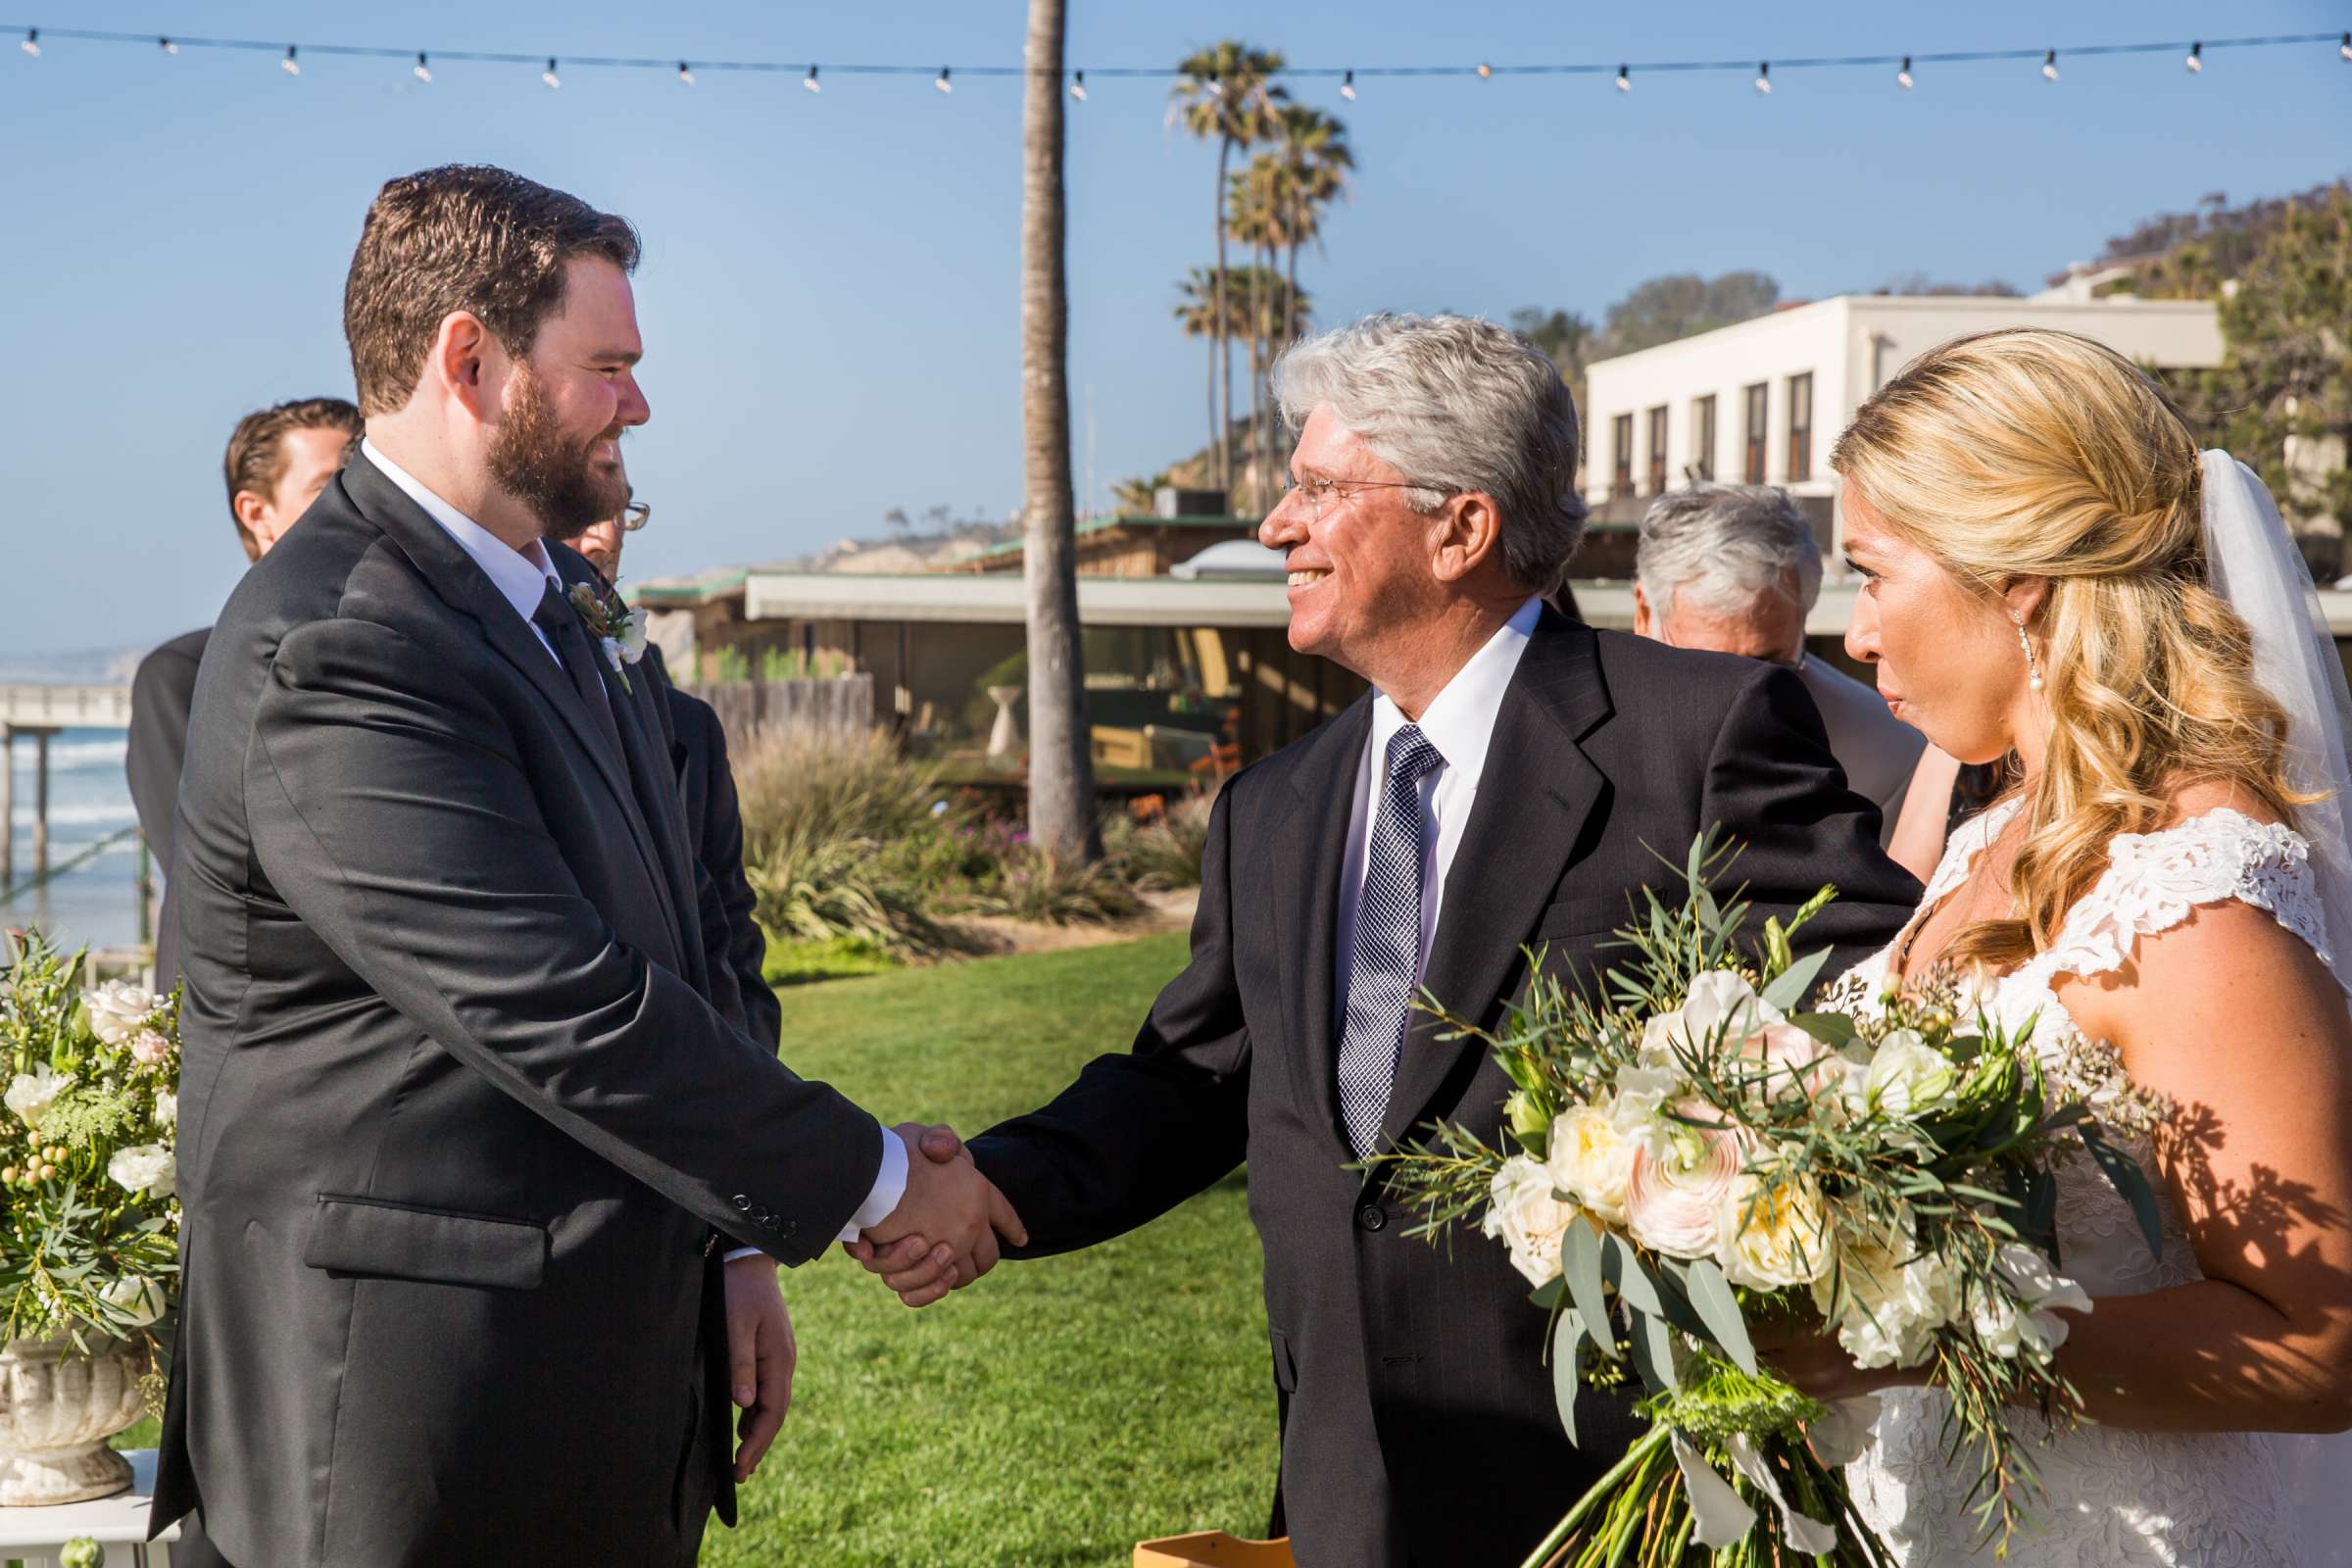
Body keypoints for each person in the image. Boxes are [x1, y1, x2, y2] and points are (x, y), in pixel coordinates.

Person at [852, 313, 1921, 1567]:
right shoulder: (1272, 808)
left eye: (1316, 487)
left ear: (1460, 527)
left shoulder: (1702, 735)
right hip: (1349, 1486)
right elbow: (1191, 1081)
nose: (1276, 525)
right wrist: (989, 1185)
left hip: (1626, 1489)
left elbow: (1870, 1033)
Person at [152, 165, 1021, 1568]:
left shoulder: (560, 602)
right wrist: (869, 1177)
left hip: (595, 1382)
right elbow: (556, 1000)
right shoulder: (341, 642)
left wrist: (733, 1243)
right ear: (469, 360)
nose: (638, 403)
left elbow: (681, 937)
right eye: (606, 365)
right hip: (409, 1415)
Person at [1766, 327, 2352, 1562]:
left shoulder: (2193, 894)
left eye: (1873, 573)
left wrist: (1923, 1340)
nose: (1857, 635)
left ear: (2016, 578)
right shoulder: (1996, 830)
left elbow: (2320, 1341)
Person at [127, 397, 361, 980]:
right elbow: (209, 868)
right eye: (330, 487)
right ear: (257, 513)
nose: (360, 506)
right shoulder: (179, 676)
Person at [557, 489, 781, 1052]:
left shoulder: (692, 729)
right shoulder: (491, 716)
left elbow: (730, 920)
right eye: (585, 503)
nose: (606, 535)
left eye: (618, 509)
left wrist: (748, 1048)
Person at [1632, 482, 1924, 846]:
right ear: (1645, 613)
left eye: (1765, 666)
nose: (1735, 700)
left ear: (1802, 623)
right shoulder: (1568, 725)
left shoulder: (1886, 757)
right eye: (1707, 666)